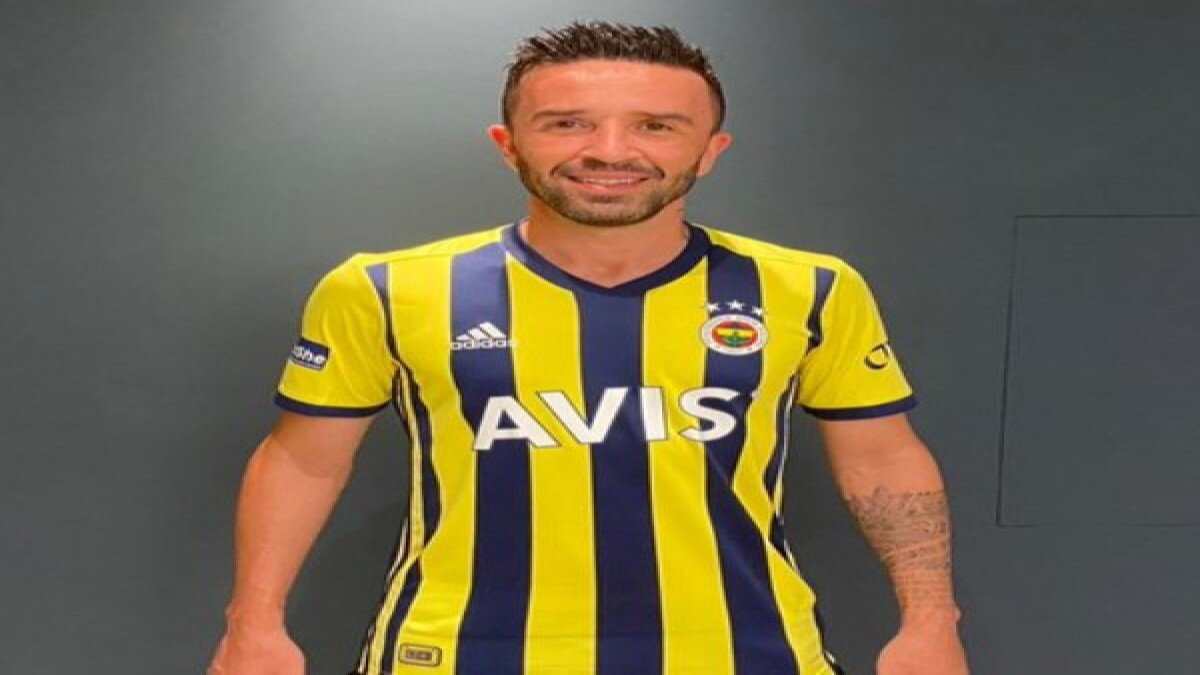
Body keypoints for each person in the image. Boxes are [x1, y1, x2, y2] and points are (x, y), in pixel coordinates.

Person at [208, 21, 968, 675]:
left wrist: (930, 621)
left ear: (711, 150)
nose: (610, 150)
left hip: (746, 650)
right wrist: (253, 623)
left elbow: (881, 457)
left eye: (656, 126)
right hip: (460, 651)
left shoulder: (811, 289)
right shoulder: (382, 289)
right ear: (508, 145)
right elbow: (304, 459)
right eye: (567, 123)